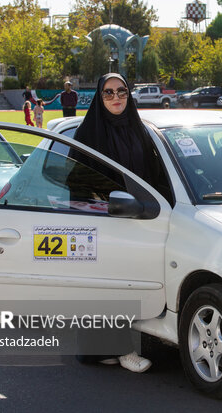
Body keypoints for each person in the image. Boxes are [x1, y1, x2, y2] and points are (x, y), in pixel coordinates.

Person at [71, 73, 169, 372]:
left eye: (122, 91)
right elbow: (76, 180)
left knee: (131, 286)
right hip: (105, 221)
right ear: (99, 98)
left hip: (140, 219)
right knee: (111, 287)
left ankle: (104, 351)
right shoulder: (88, 135)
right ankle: (124, 351)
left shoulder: (140, 131)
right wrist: (106, 203)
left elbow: (155, 174)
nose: (116, 98)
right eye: (109, 93)